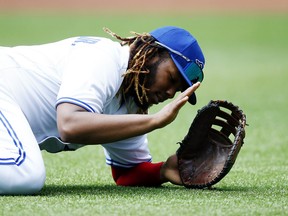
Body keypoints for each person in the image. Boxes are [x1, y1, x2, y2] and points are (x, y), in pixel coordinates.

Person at [0, 26, 205, 195]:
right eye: (171, 78)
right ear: (151, 53)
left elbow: (128, 172)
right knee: (25, 172)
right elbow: (70, 125)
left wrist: (164, 170)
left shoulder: (131, 107)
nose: (171, 93)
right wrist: (155, 121)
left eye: (178, 89)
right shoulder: (105, 58)